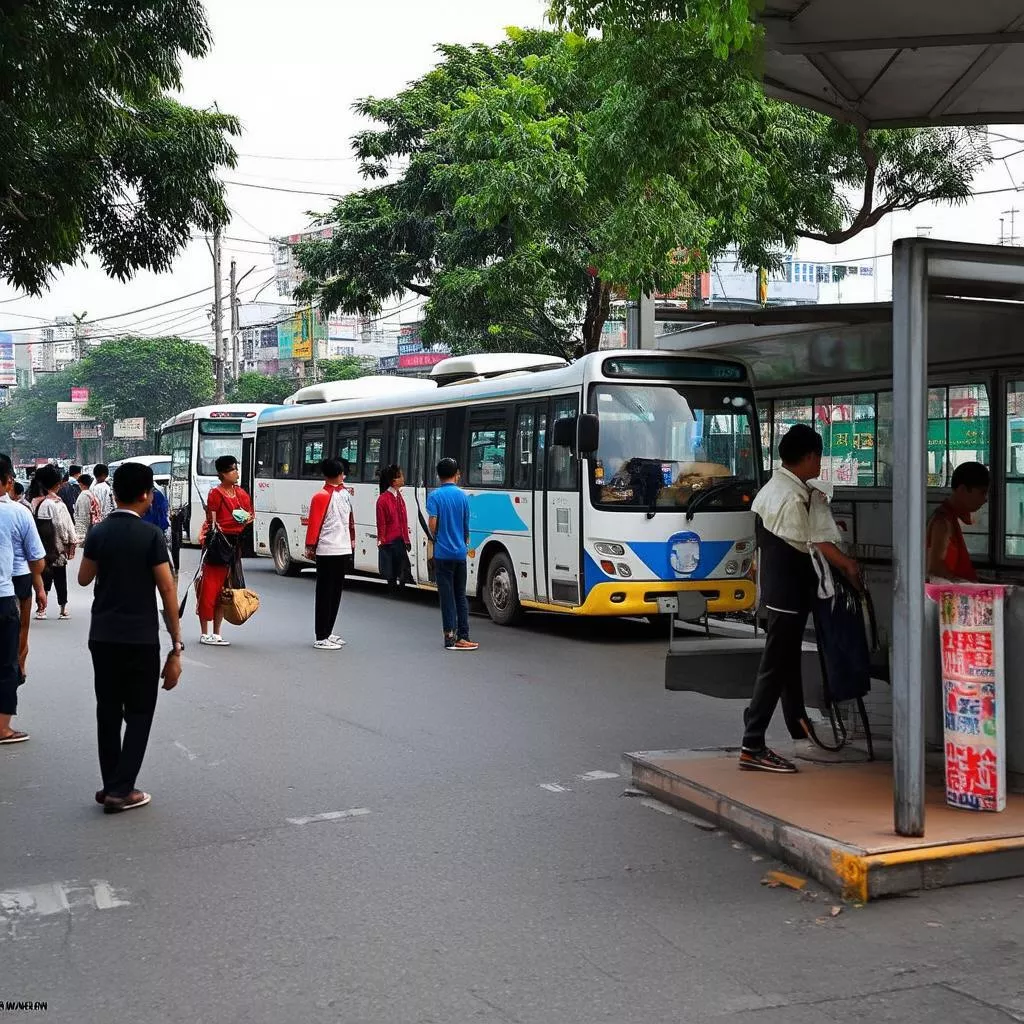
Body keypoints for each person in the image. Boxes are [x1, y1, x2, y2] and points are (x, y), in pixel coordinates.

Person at [740, 425, 860, 774]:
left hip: (776, 590)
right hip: (789, 591)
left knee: (786, 662)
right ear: (809, 456)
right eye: (819, 456)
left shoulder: (774, 488)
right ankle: (753, 742)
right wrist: (849, 567)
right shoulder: (794, 498)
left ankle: (797, 724)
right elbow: (818, 544)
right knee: (776, 666)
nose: (819, 462)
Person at [78, 462, 182, 813]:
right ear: (145, 495)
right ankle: (122, 790)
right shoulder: (151, 536)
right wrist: (176, 645)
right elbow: (167, 591)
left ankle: (111, 785)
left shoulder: (99, 532)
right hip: (139, 638)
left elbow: (83, 578)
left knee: (107, 710)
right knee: (139, 713)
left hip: (103, 635)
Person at [0, 455, 46, 743]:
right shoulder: (17, 513)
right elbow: (37, 560)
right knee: (6, 663)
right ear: (7, 482)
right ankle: (3, 728)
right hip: (4, 595)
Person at [197, 455, 253, 646]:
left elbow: (250, 515)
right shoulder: (216, 493)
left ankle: (217, 632)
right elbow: (211, 521)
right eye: (232, 470)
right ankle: (205, 632)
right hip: (218, 543)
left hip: (234, 544)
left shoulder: (241, 494)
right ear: (222, 473)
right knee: (210, 587)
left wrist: (244, 519)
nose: (236, 473)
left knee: (226, 590)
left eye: (236, 469)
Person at [426, 458, 478, 652]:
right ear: (457, 474)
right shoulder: (463, 496)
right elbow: (466, 526)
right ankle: (464, 636)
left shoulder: (435, 496)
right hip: (459, 553)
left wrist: (437, 537)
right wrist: (463, 543)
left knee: (446, 596)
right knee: (460, 595)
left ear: (438, 475)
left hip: (442, 553)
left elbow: (433, 522)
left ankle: (450, 636)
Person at [305, 458, 355, 651]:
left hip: (342, 547)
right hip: (327, 548)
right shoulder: (321, 496)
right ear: (338, 473)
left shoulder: (344, 494)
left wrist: (351, 539)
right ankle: (321, 635)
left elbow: (350, 520)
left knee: (336, 593)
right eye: (343, 472)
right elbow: (314, 523)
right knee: (325, 593)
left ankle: (329, 630)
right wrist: (310, 546)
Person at [926, 462, 990, 583]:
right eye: (982, 492)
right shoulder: (943, 523)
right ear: (962, 490)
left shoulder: (950, 519)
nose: (985, 499)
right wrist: (968, 586)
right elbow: (936, 569)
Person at [32, 463, 77, 621]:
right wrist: (69, 542)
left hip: (41, 549)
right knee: (60, 580)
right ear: (57, 484)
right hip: (57, 549)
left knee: (43, 580)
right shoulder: (56, 504)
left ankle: (41, 609)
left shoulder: (35, 501)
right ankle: (63, 608)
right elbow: (64, 526)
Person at [376, 463, 412, 593]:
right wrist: (382, 540)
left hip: (400, 539)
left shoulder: (399, 496)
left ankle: (399, 588)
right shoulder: (383, 499)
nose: (403, 478)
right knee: (393, 570)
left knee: (403, 568)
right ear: (393, 481)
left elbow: (404, 521)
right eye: (400, 476)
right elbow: (382, 523)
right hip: (390, 541)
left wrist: (406, 540)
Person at [73, 472, 101, 544]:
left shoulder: (83, 496)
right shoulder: (91, 494)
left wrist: (81, 535)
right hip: (92, 528)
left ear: (81, 484)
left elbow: (83, 516)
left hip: (85, 530)